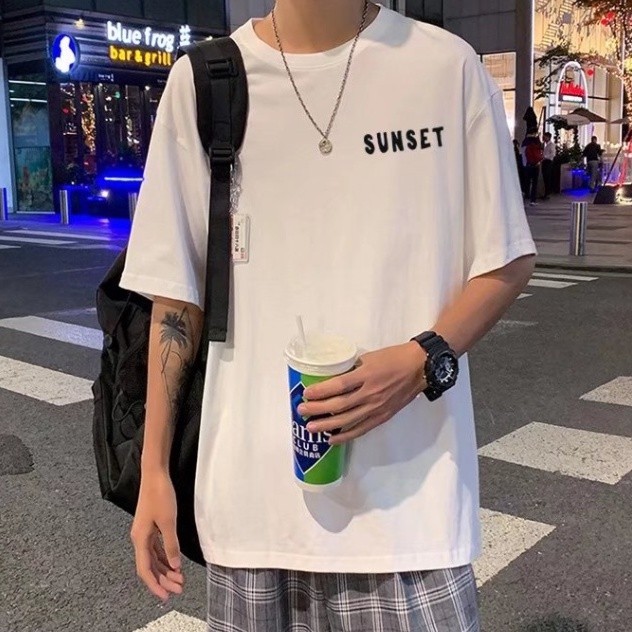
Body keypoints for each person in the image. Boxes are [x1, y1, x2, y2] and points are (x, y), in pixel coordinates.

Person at [121, 2, 537, 631]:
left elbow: (505, 258)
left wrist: (422, 360)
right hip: (253, 513)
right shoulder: (204, 82)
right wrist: (153, 470)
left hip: (412, 513)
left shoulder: (445, 69)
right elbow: (176, 299)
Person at [521, 127, 544, 206]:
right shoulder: (536, 141)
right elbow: (540, 150)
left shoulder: (525, 142)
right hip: (536, 164)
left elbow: (523, 154)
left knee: (526, 182)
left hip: (527, 165)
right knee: (534, 183)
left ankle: (523, 197)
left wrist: (524, 164)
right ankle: (533, 200)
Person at [542, 132, 556, 200]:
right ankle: (546, 193)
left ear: (548, 137)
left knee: (547, 177)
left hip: (548, 162)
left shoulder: (551, 145)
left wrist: (545, 157)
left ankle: (547, 193)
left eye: (544, 137)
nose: (543, 138)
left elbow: (553, 154)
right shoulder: (546, 145)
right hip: (545, 162)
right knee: (545, 178)